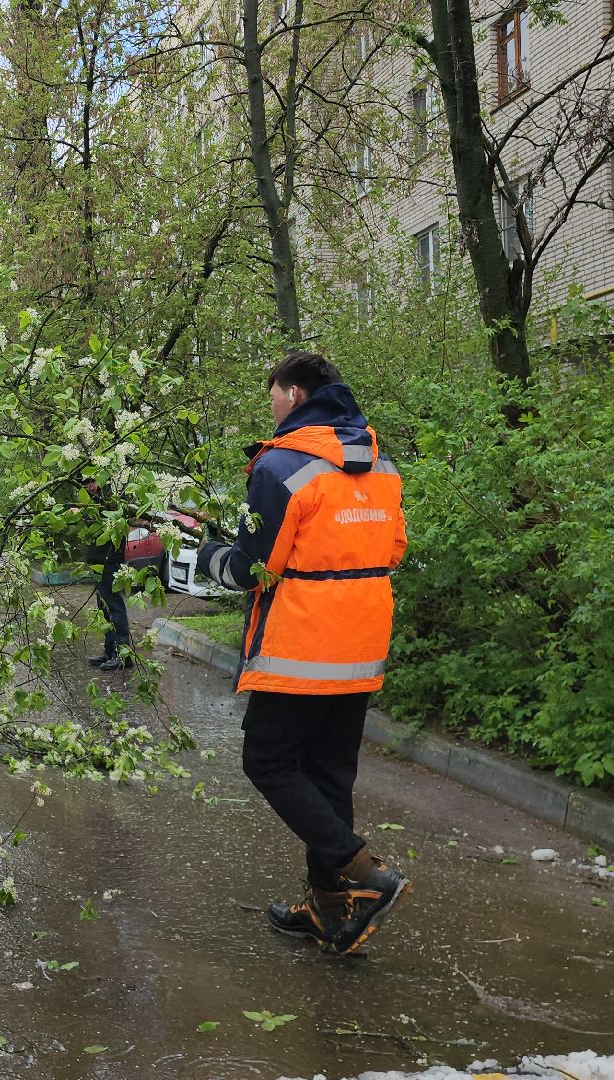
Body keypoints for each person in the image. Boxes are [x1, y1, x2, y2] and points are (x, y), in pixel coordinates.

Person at [197, 350, 409, 955]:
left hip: (300, 649)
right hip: (362, 645)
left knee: (267, 762)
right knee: (329, 773)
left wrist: (200, 555)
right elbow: (393, 548)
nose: (270, 408)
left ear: (293, 395)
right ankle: (331, 909)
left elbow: (253, 570)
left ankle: (368, 874)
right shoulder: (381, 463)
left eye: (272, 396)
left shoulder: (281, 466)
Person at [83, 481, 132, 671]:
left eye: (90, 482)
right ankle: (110, 651)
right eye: (84, 483)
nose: (87, 486)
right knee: (105, 609)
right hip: (99, 563)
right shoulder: (93, 501)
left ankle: (123, 655)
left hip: (108, 562)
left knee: (114, 607)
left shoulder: (112, 498)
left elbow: (108, 523)